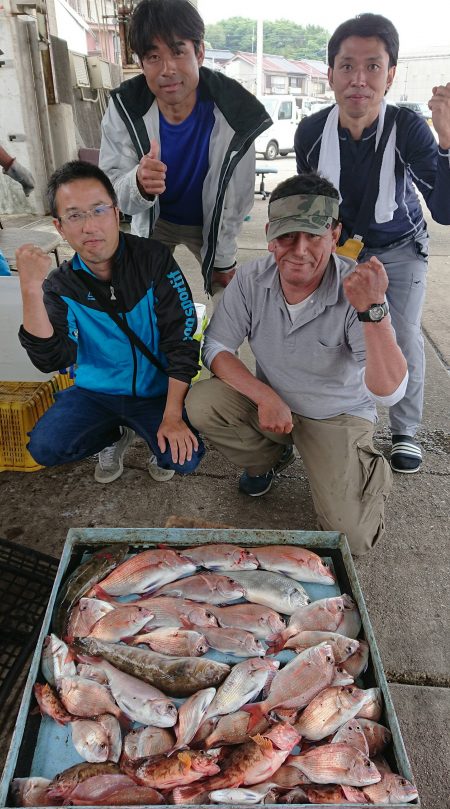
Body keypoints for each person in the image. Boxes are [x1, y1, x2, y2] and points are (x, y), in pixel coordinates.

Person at [185, 172, 408, 556]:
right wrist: (264, 396)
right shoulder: (250, 278)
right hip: (275, 407)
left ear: (335, 235)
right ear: (269, 235)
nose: (299, 250)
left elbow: (389, 392)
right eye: (287, 235)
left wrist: (374, 311)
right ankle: (270, 458)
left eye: (314, 236)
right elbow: (216, 346)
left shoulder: (356, 289)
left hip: (336, 415)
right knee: (202, 402)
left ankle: (361, 470)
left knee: (352, 539)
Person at [294, 13, 450, 474]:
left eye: (373, 66)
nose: (358, 79)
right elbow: (310, 203)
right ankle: (338, 413)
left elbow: (443, 210)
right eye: (347, 66)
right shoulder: (311, 132)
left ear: (391, 74)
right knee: (321, 328)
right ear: (330, 74)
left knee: (401, 334)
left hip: (399, 246)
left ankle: (405, 430)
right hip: (339, 245)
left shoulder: (408, 128)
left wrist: (447, 141)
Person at [16, 160, 205, 485]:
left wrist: (173, 415)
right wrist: (31, 289)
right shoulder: (61, 285)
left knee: (184, 458)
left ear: (116, 214)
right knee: (45, 447)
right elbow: (53, 359)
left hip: (155, 392)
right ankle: (113, 435)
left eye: (99, 210)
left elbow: (183, 340)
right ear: (59, 227)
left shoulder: (154, 260)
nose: (90, 227)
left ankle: (154, 436)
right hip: (95, 393)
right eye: (75, 215)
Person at [99, 0, 271, 299]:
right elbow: (112, 189)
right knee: (138, 296)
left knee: (227, 297)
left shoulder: (236, 111)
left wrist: (222, 255)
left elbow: (237, 199)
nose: (167, 69)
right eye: (153, 56)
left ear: (199, 52)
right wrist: (138, 183)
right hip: (155, 220)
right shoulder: (125, 106)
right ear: (141, 63)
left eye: (178, 52)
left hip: (208, 222)